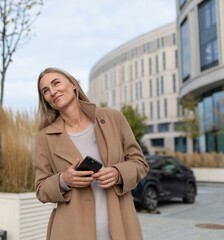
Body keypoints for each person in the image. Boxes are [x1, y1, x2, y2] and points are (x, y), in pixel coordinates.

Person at [33, 67, 149, 240]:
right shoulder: (44, 138)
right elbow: (41, 189)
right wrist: (64, 180)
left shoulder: (112, 118)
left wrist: (118, 173)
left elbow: (140, 163)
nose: (52, 92)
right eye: (46, 91)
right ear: (46, 100)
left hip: (120, 228)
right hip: (70, 232)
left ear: (73, 84)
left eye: (56, 83)